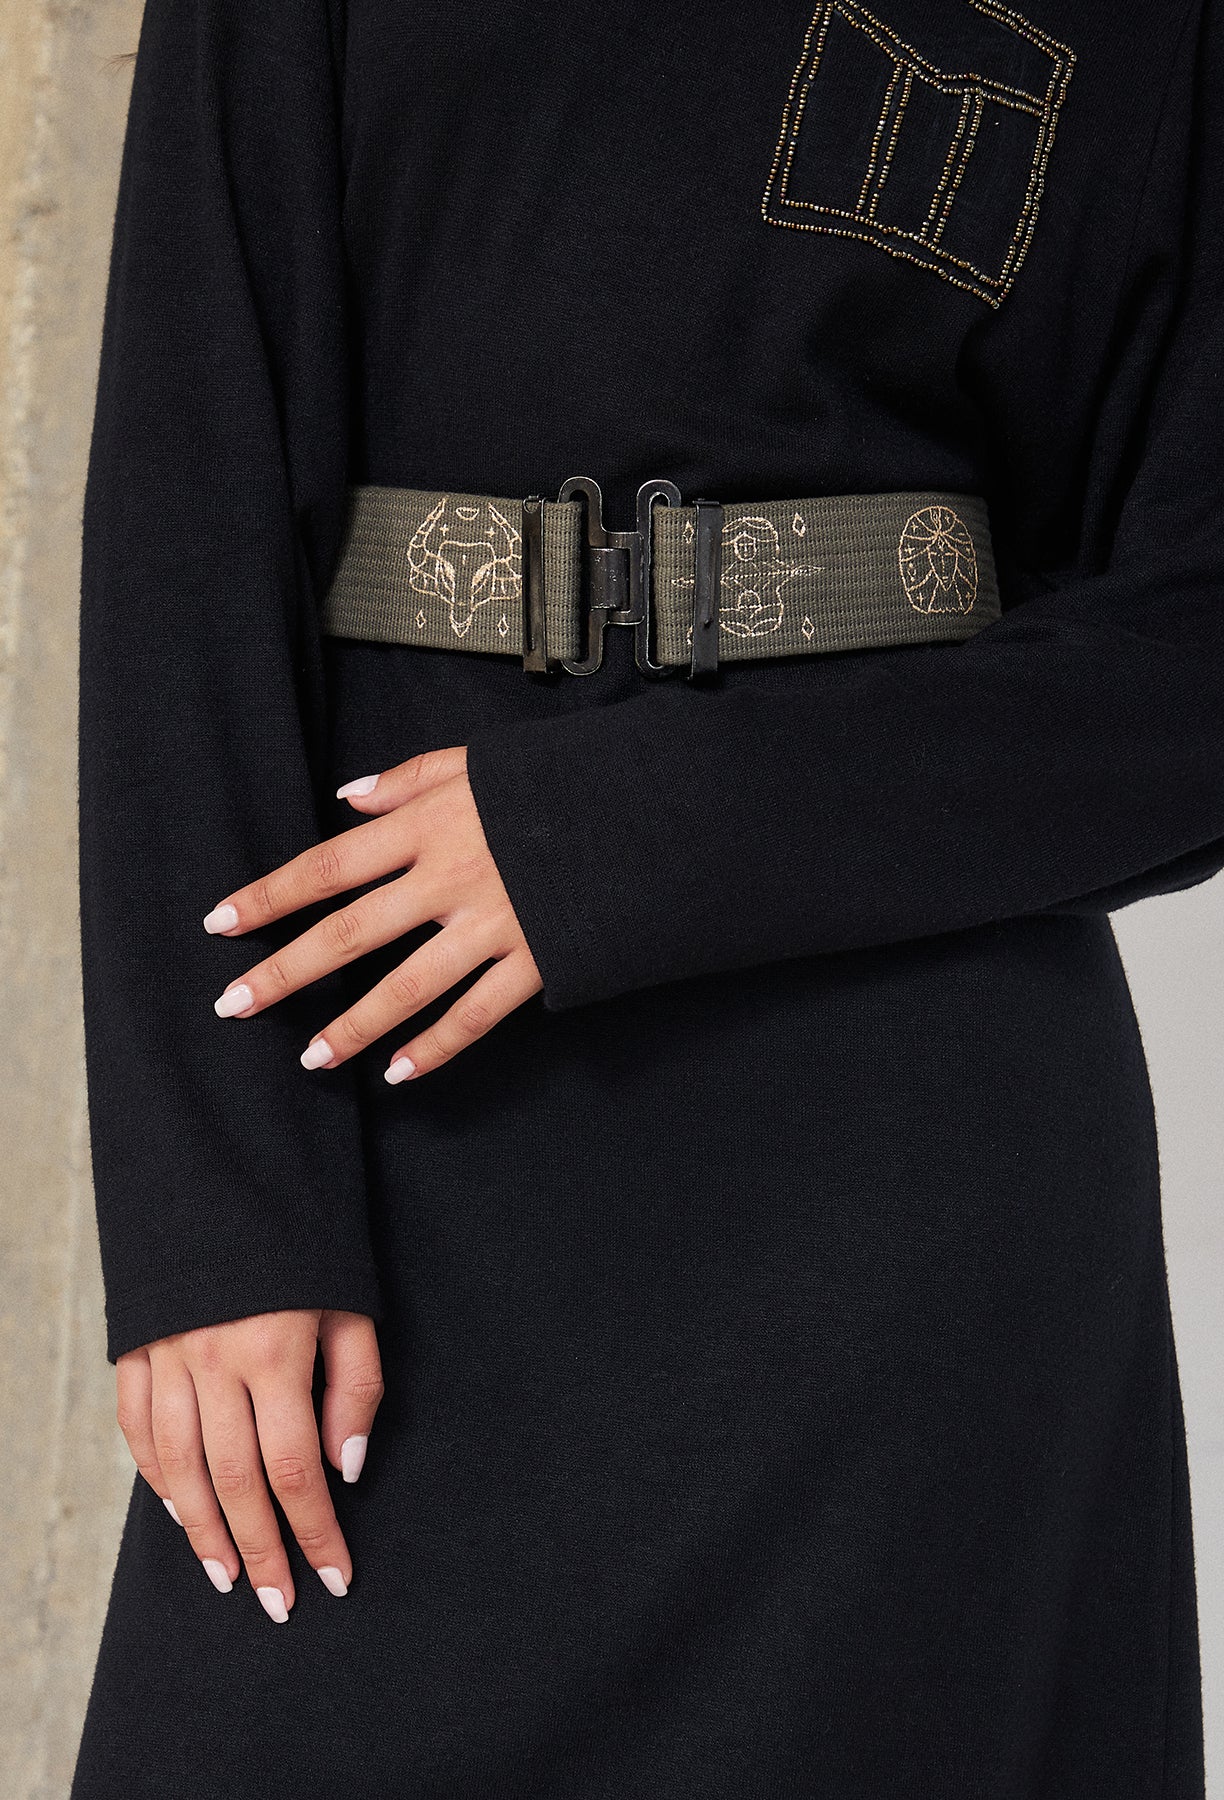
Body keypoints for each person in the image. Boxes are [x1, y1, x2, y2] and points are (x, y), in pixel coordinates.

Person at [71, 0, 1221, 1794]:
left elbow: (1194, 660)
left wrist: (625, 833)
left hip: (910, 1210)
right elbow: (187, 503)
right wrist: (214, 1217)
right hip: (388, 1098)